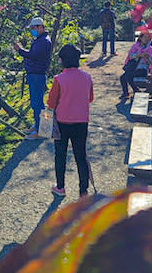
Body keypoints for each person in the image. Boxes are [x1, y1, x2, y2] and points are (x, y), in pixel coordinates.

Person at [47, 44, 93, 198]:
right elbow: (90, 98)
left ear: (63, 61)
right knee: (81, 155)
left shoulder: (59, 79)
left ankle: (60, 187)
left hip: (62, 123)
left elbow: (51, 103)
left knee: (60, 154)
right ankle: (83, 191)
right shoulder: (87, 77)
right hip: (81, 122)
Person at [13, 17, 52, 140]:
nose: (32, 31)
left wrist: (20, 50)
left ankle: (42, 130)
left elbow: (33, 55)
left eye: (33, 28)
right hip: (35, 74)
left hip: (37, 74)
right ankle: (38, 126)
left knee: (37, 103)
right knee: (36, 102)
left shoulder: (43, 41)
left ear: (40, 27)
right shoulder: (40, 40)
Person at [119, 30, 152, 99]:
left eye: (148, 38)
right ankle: (129, 92)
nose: (146, 39)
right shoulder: (135, 46)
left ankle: (134, 91)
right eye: (144, 37)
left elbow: (150, 62)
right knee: (123, 77)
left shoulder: (150, 49)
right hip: (133, 67)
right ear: (140, 38)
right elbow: (130, 56)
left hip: (143, 70)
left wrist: (147, 58)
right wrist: (138, 55)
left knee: (127, 76)